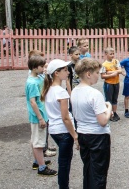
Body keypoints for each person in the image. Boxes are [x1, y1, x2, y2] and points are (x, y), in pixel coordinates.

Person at [71, 58, 112, 189]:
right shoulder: (95, 94)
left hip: (83, 134)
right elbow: (103, 121)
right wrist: (109, 107)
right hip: (98, 137)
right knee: (99, 174)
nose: (98, 76)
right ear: (88, 74)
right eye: (96, 73)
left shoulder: (74, 91)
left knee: (88, 170)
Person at [41, 59, 79, 188]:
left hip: (53, 130)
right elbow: (65, 117)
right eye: (65, 70)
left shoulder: (48, 89)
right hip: (63, 131)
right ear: (56, 73)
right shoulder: (61, 92)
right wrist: (74, 135)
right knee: (64, 163)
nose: (68, 72)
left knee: (64, 161)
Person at [25, 55, 58, 176]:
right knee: (38, 143)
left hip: (42, 114)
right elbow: (33, 102)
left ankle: (37, 161)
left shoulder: (37, 78)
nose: (44, 68)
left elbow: (44, 83)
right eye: (42, 66)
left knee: (38, 140)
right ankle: (41, 167)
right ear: (34, 68)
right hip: (38, 117)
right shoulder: (32, 83)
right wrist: (40, 118)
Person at [100, 47, 123, 121]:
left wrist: (110, 72)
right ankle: (109, 113)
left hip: (116, 83)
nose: (112, 55)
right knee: (109, 99)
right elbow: (103, 76)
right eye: (111, 54)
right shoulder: (104, 64)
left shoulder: (116, 61)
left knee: (115, 99)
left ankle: (115, 112)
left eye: (113, 54)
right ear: (106, 54)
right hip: (109, 84)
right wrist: (112, 74)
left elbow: (120, 70)